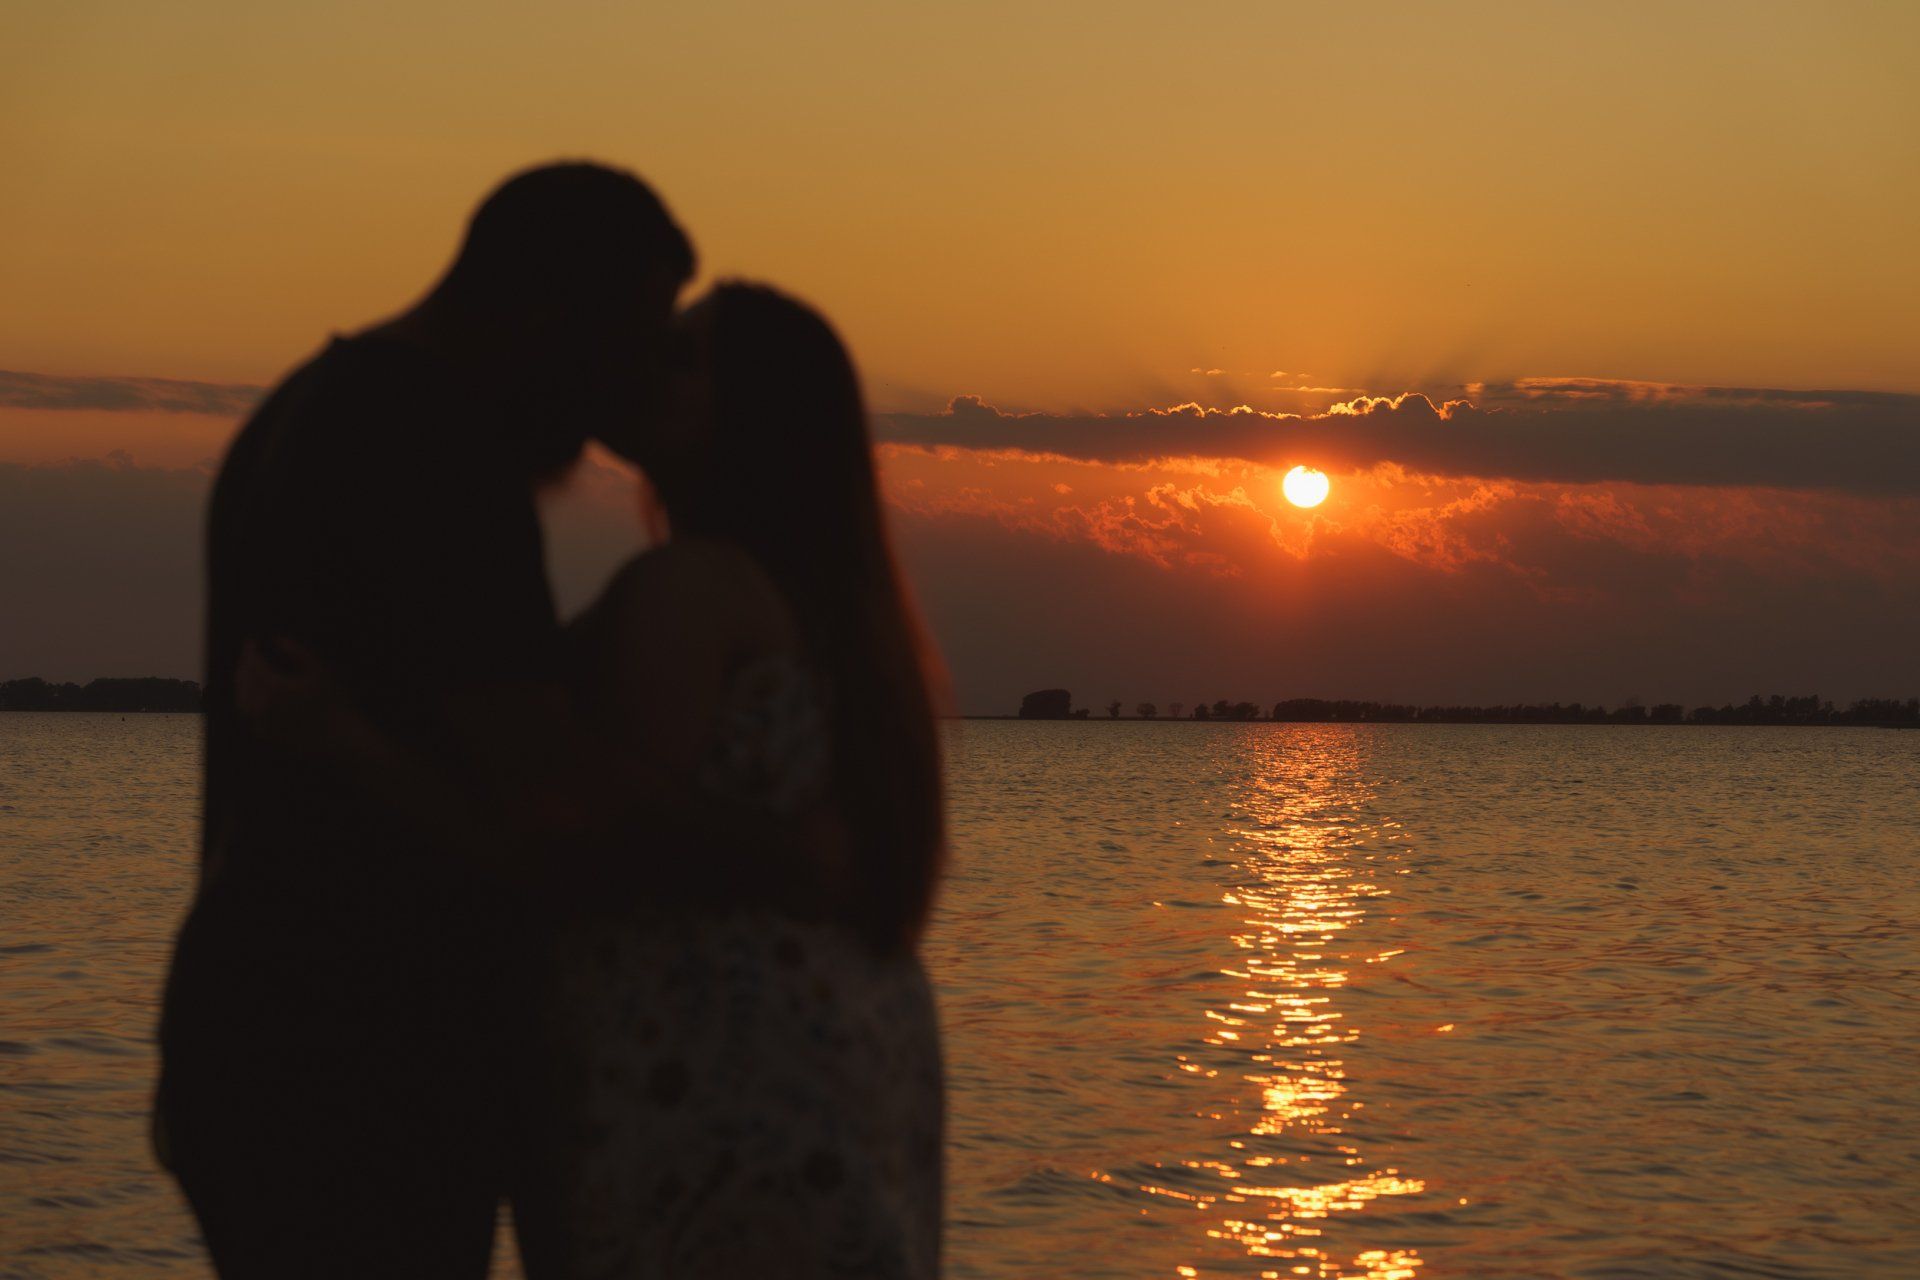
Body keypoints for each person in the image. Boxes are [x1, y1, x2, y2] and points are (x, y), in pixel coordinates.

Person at [238, 283, 949, 1278]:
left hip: (713, 1086)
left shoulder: (690, 588)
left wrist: (344, 740)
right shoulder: (845, 623)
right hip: (841, 1065)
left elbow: (574, 845)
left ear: (751, 419)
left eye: (687, 353)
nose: (645, 353)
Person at [155, 162, 696, 1278]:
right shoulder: (429, 441)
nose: (620, 391)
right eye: (630, 336)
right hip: (352, 1059)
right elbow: (539, 793)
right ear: (551, 305)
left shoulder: (314, 404)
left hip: (271, 1038)